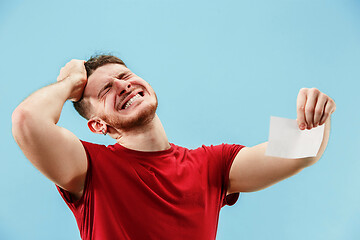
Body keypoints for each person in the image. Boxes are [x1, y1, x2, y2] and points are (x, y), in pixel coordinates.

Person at [12, 55, 336, 240]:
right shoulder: (87, 169)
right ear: (100, 126)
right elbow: (27, 120)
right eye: (106, 90)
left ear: (147, 85)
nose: (123, 85)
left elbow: (302, 150)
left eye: (125, 76)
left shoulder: (212, 165)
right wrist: (70, 83)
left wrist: (316, 118)